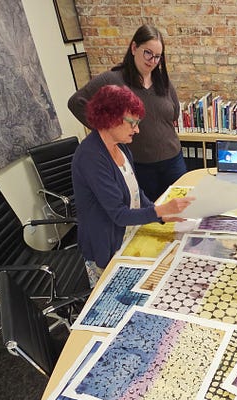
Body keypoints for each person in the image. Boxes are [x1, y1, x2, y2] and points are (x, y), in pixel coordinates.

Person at [72, 85, 194, 287]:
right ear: (110, 118)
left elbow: (136, 194)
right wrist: (159, 210)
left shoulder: (121, 148)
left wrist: (162, 216)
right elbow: (118, 214)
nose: (137, 129)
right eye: (133, 123)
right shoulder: (91, 157)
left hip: (128, 236)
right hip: (106, 245)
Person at [68, 24, 186, 202]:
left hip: (173, 161)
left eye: (157, 57)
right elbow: (76, 102)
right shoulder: (113, 79)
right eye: (148, 53)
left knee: (179, 211)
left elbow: (174, 113)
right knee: (148, 217)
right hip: (140, 166)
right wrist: (106, 128)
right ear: (134, 48)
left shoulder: (163, 81)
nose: (152, 61)